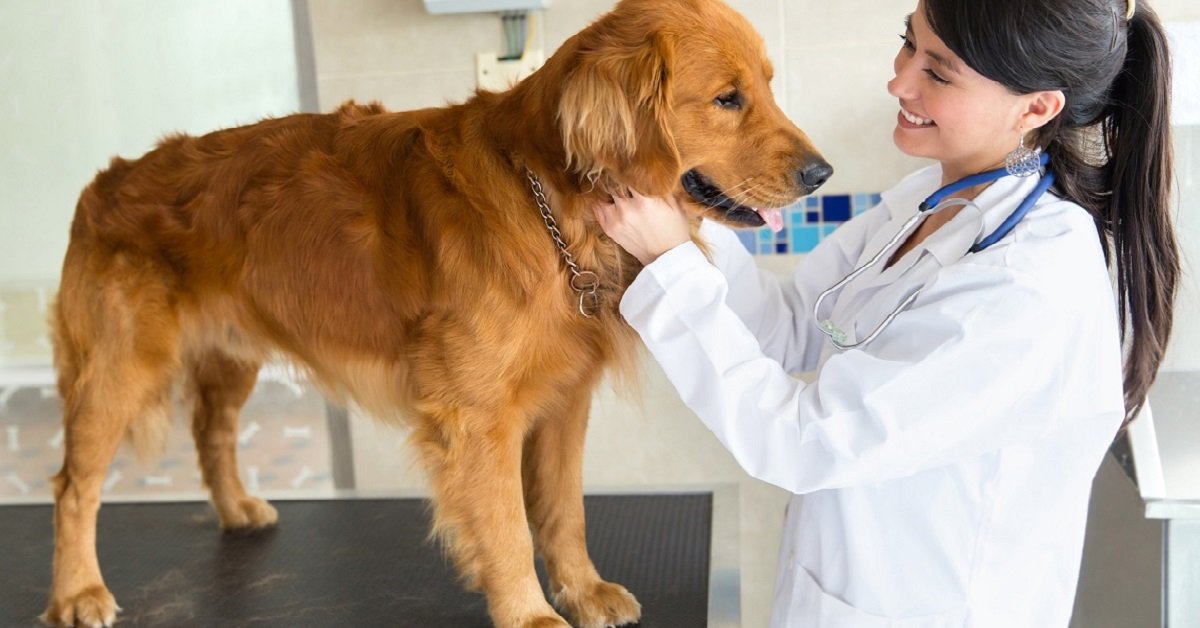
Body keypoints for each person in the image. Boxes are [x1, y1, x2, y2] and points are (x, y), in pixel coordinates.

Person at [595, 0, 1179, 625]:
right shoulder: (934, 198)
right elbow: (791, 326)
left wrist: (669, 263)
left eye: (939, 72)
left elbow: (800, 441)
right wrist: (682, 215)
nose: (898, 81)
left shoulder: (1026, 290)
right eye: (909, 43)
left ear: (1036, 107)